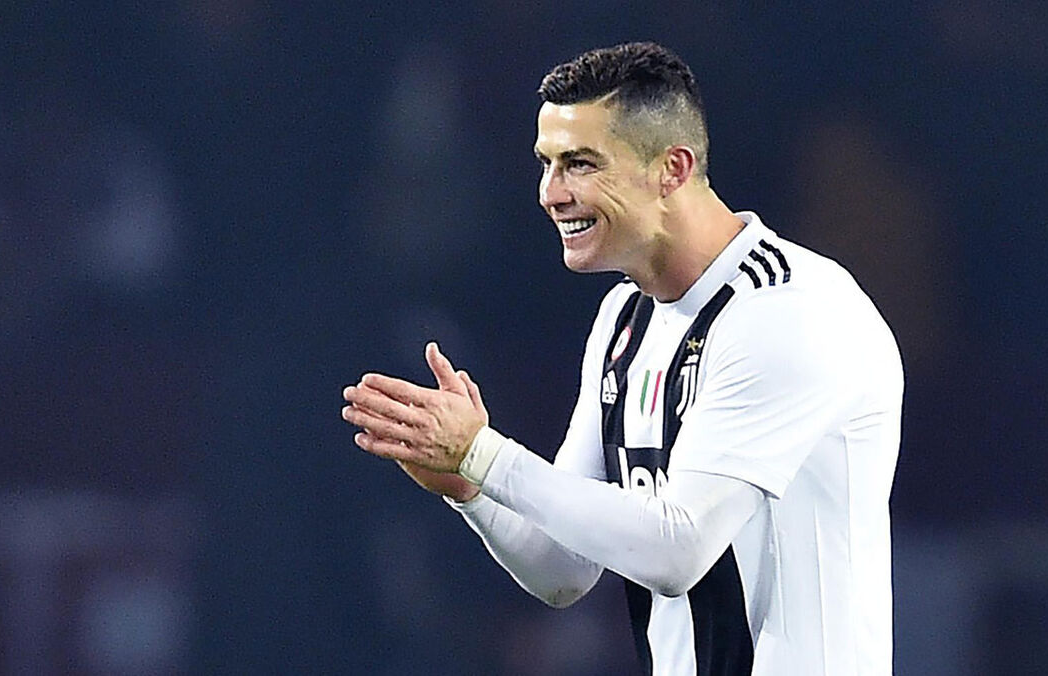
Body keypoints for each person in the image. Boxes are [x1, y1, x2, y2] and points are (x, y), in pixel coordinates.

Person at [342, 41, 903, 676]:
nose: (551, 193)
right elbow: (563, 569)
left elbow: (678, 549)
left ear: (672, 168)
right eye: (546, 164)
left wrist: (485, 454)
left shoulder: (789, 310)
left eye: (580, 165)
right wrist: (470, 487)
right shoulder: (625, 318)